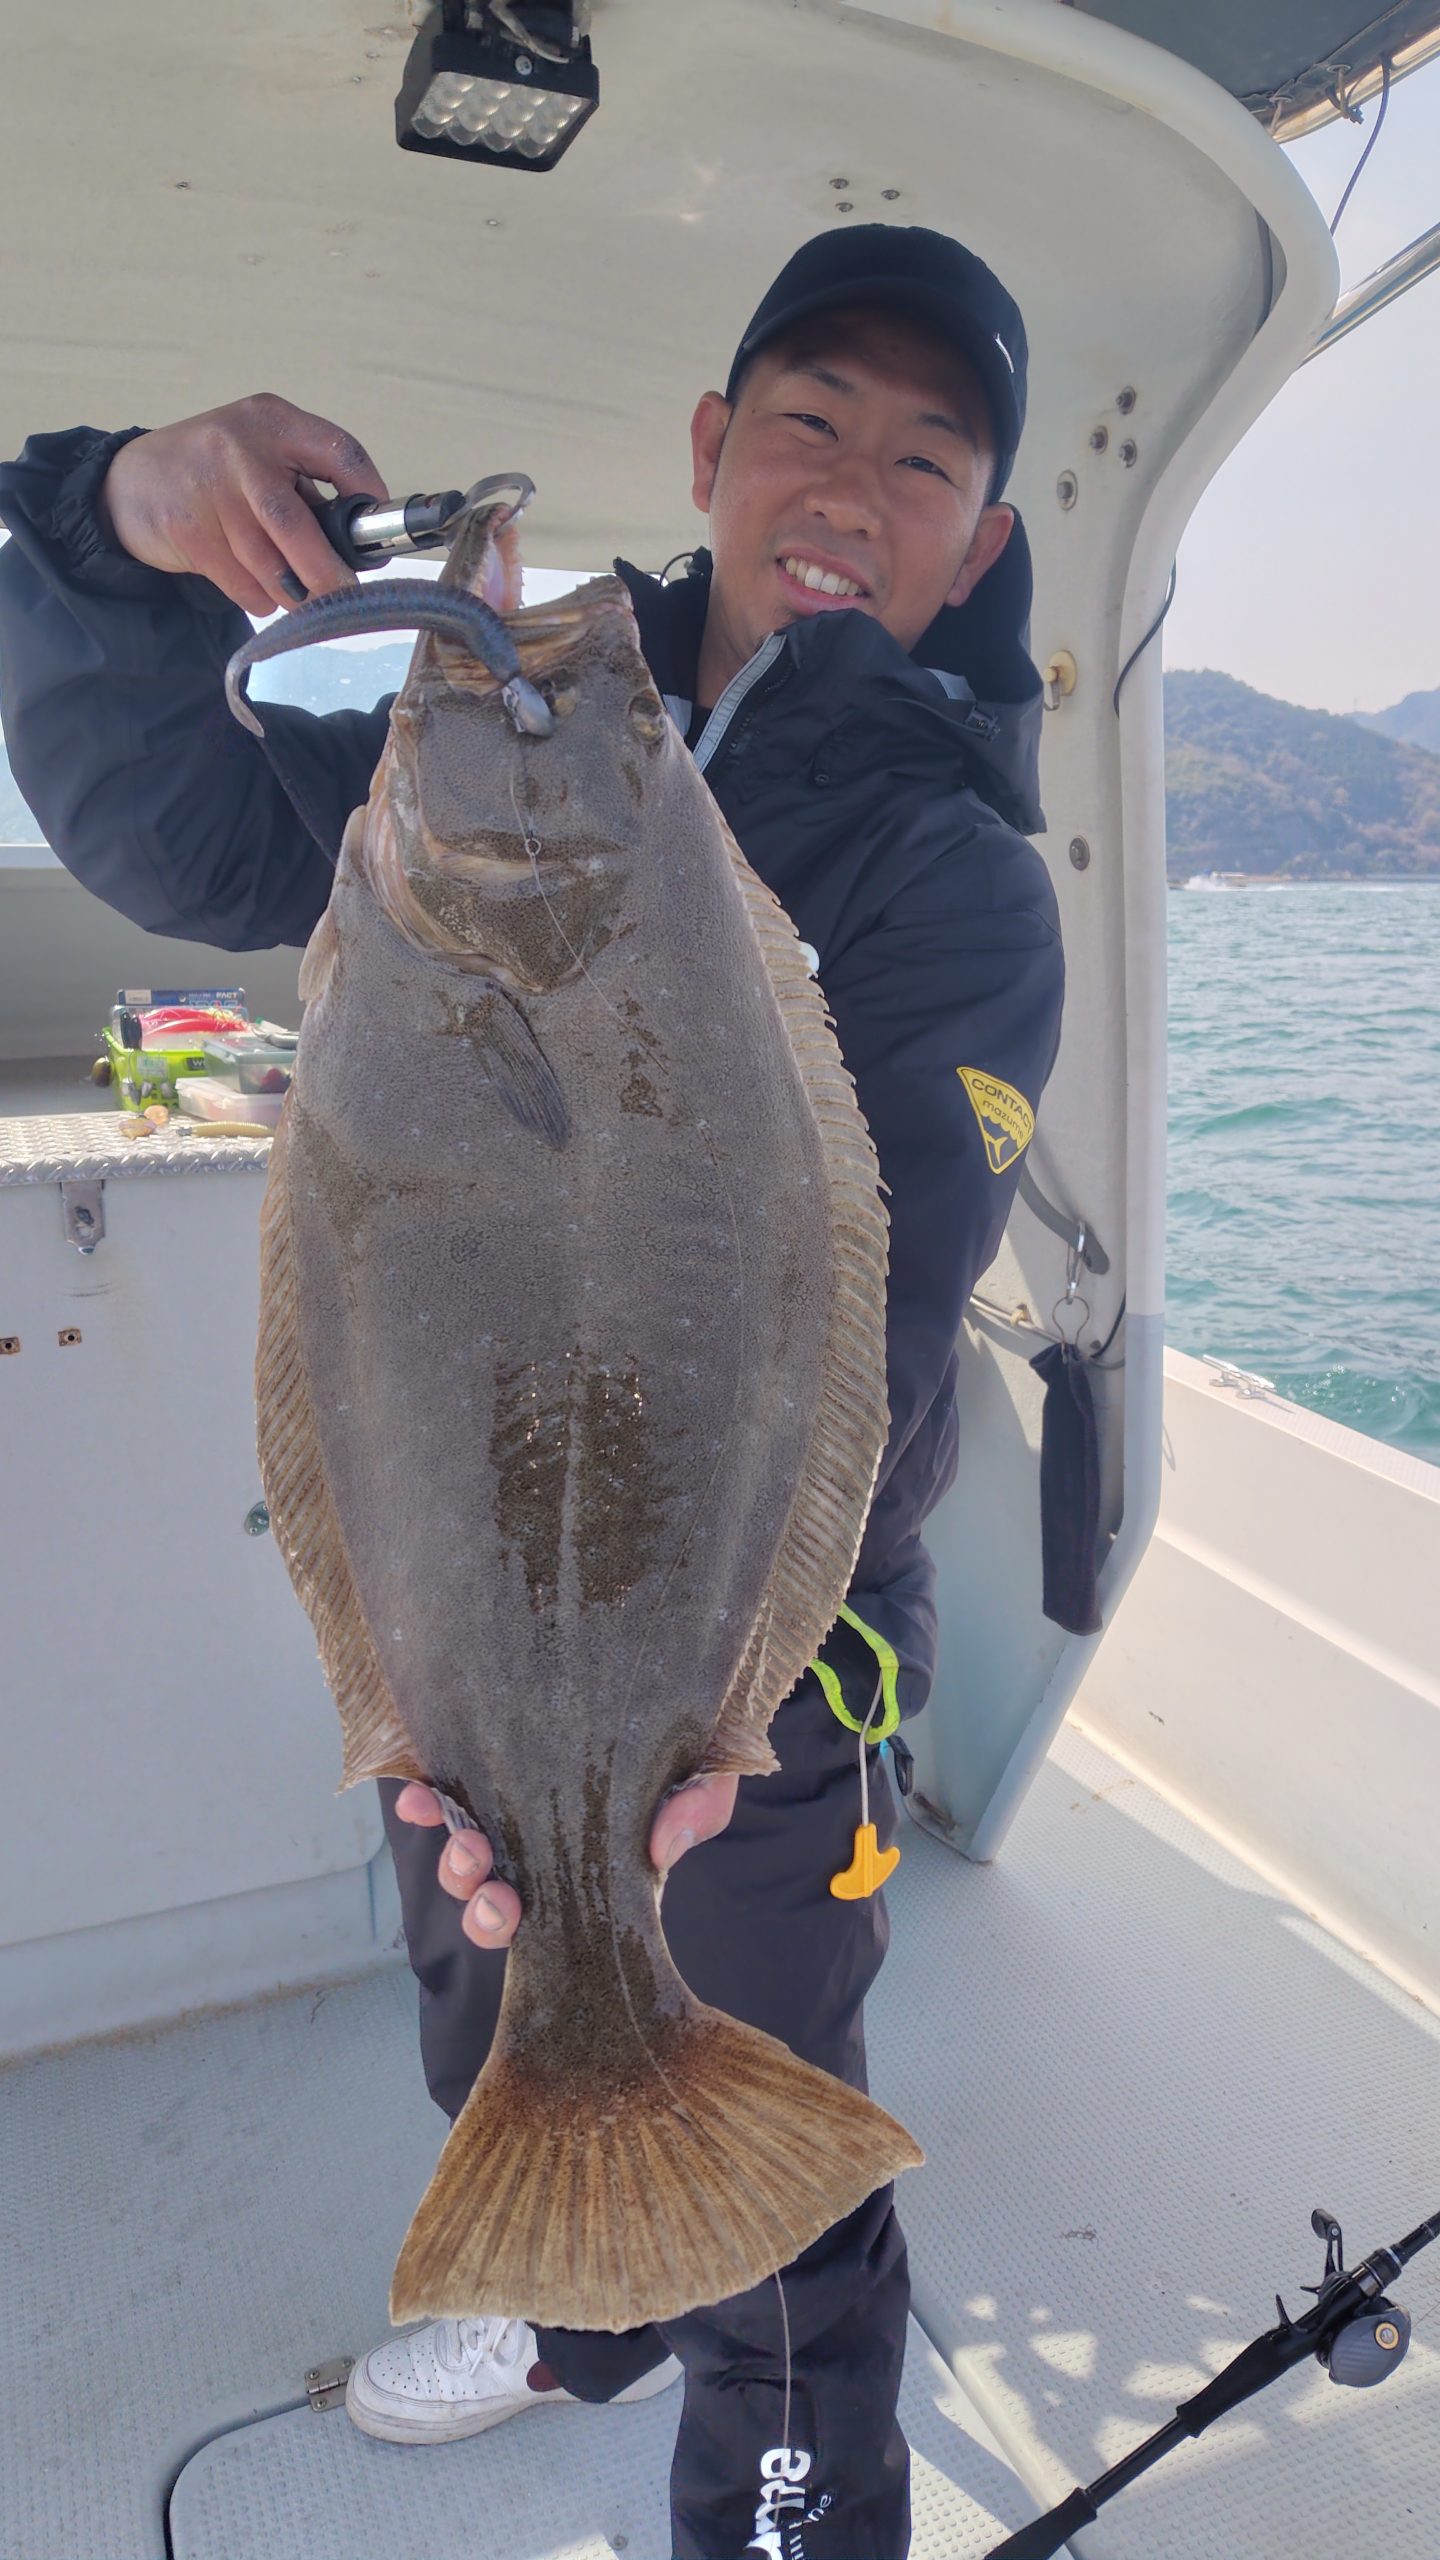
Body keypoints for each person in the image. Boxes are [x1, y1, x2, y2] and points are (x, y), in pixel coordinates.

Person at [0, 223, 1063, 2558]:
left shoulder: (957, 875)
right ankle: (577, 2311)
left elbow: (868, 1320)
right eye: (806, 418)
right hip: (468, 1615)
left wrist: (712, 1703)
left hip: (755, 1676)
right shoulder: (478, 735)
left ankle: (783, 2493)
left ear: (978, 542)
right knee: (492, 1988)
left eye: (919, 457)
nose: (847, 484)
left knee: (765, 2142)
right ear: (709, 446)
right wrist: (109, 523)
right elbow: (149, 819)